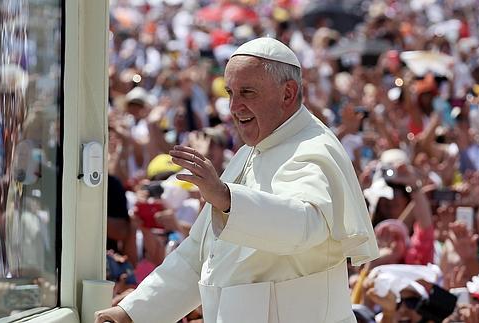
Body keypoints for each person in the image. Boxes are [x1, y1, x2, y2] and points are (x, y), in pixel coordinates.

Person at [95, 37, 378, 323]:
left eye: (247, 92)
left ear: (288, 93)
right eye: (230, 92)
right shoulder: (248, 154)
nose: (234, 106)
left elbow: (305, 224)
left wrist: (228, 199)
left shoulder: (314, 149)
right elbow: (198, 258)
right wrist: (132, 312)